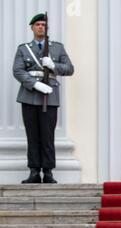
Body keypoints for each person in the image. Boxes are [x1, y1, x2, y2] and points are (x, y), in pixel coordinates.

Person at [13, 13, 74, 184]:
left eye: (44, 25)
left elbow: (69, 68)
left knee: (47, 136)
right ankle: (34, 171)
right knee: (32, 135)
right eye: (38, 24)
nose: (41, 27)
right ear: (32, 28)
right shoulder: (23, 48)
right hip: (30, 96)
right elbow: (17, 70)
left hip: (50, 97)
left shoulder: (57, 48)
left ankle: (47, 171)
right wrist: (35, 84)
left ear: (47, 29)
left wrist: (54, 66)